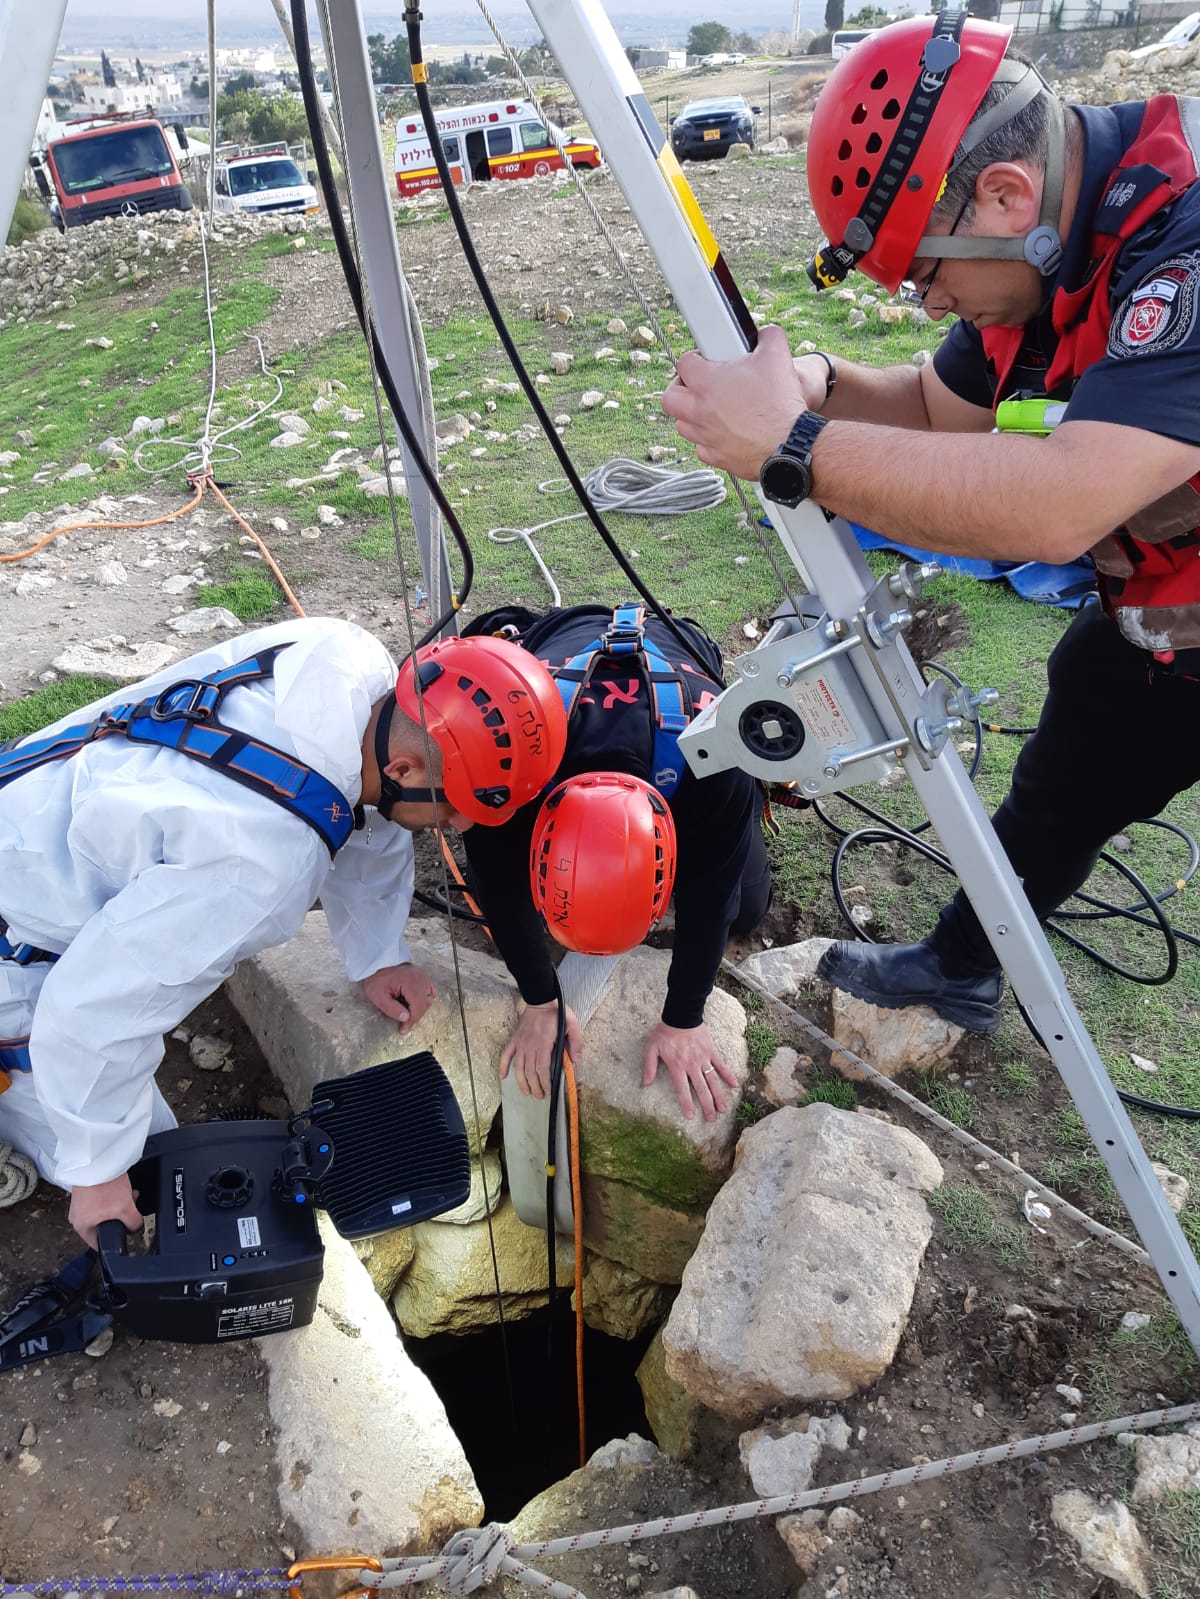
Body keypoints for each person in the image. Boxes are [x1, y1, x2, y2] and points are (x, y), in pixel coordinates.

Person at [659, 9, 1200, 1033]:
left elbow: (1057, 503)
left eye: (928, 273)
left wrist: (792, 448)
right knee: (1070, 752)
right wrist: (814, 389)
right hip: (1172, 604)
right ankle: (962, 965)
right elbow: (931, 406)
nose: (925, 304)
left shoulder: (1184, 252)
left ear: (1005, 197)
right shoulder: (1054, 241)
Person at [0, 616, 565, 1247]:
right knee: (145, 1174)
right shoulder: (259, 869)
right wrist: (98, 1172)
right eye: (456, 804)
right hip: (18, 946)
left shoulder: (349, 659)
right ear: (405, 766)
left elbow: (354, 804)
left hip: (35, 793)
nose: (457, 826)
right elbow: (91, 1010)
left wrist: (377, 954)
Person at [459, 603, 772, 1121]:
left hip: (680, 665)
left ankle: (722, 829)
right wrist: (540, 1000)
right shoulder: (513, 769)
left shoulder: (715, 758)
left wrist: (684, 1018)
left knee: (747, 909)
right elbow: (494, 884)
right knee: (490, 847)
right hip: (568, 637)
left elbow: (713, 899)